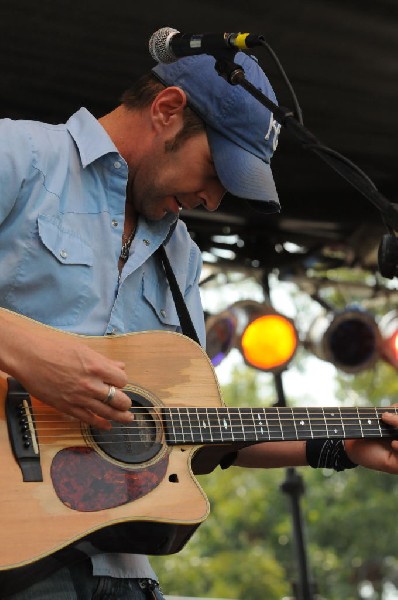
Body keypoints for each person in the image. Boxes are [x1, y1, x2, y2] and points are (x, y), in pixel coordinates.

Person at [1, 50, 398, 600]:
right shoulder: (18, 156)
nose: (212, 198)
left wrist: (339, 446)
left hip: (123, 573)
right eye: (214, 171)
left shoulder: (182, 254)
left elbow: (194, 429)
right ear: (167, 108)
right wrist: (25, 351)